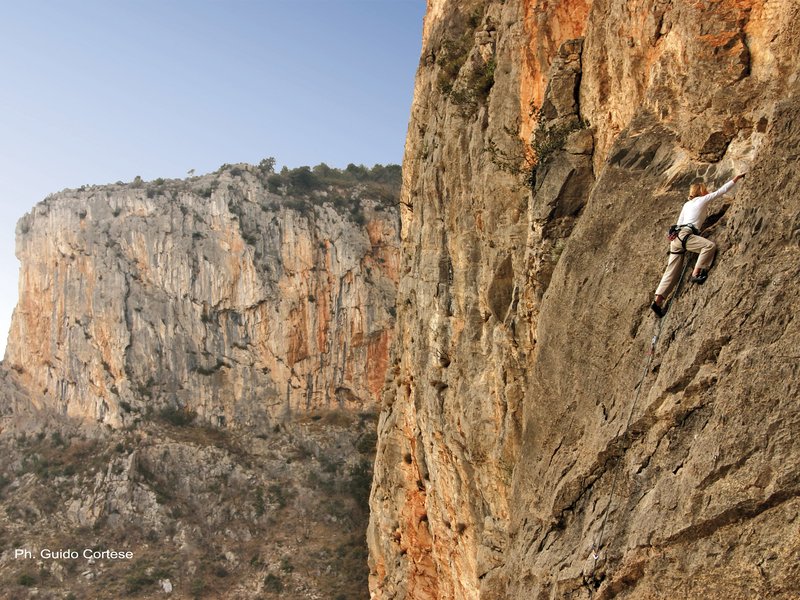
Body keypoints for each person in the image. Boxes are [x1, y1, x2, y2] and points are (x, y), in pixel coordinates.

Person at [651, 173, 745, 318]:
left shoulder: (687, 204)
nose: (707, 191)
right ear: (701, 191)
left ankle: (657, 301)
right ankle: (697, 272)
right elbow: (721, 191)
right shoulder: (702, 200)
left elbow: (678, 222)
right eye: (705, 189)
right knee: (708, 246)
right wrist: (736, 179)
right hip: (687, 235)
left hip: (676, 238)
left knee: (671, 271)